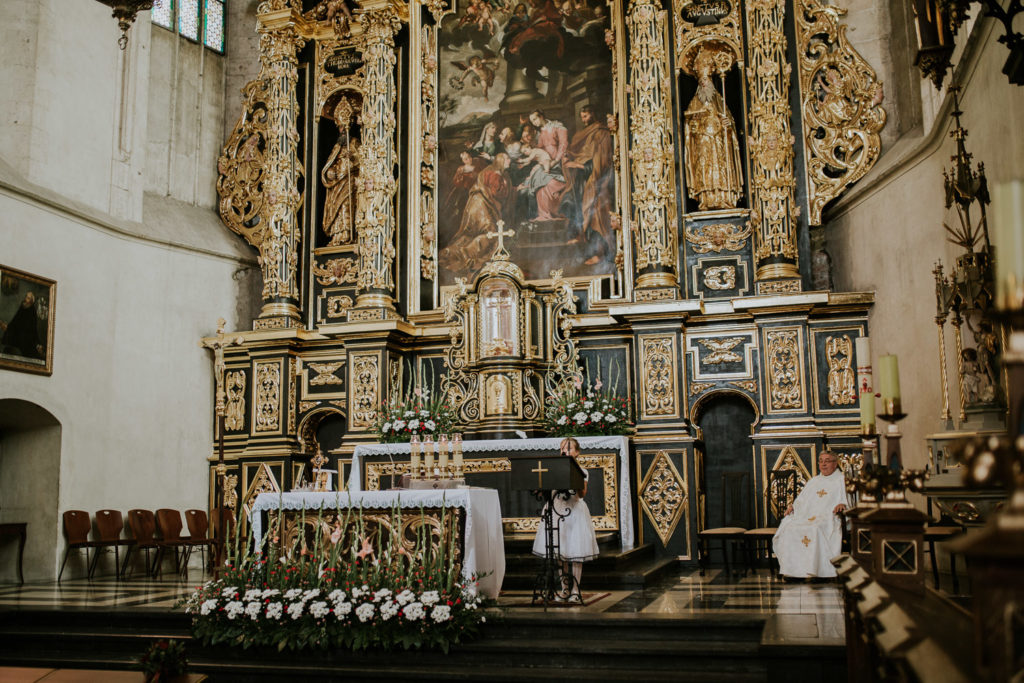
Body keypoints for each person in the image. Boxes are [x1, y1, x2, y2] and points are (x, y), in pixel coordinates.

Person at [532, 437, 599, 603]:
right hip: (556, 509)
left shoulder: (582, 471)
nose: (565, 451)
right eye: (562, 448)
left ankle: (575, 590)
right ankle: (564, 589)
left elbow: (581, 494)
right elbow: (544, 490)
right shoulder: (553, 469)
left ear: (577, 452)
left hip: (574, 511)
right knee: (559, 551)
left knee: (575, 551)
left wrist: (574, 476)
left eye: (569, 448)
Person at [772, 451, 850, 580]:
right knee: (790, 528)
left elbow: (848, 499)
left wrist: (842, 504)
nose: (823, 464)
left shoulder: (842, 479)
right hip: (807, 516)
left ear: (835, 464)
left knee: (815, 528)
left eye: (827, 461)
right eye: (821, 461)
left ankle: (816, 571)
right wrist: (793, 507)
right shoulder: (814, 481)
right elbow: (802, 500)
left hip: (828, 517)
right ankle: (792, 572)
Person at [0, 290, 44, 359]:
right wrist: (8, 326)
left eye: (28, 298)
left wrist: (37, 342)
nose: (26, 298)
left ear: (31, 301)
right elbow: (16, 319)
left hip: (27, 334)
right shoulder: (22, 306)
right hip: (18, 331)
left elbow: (32, 328)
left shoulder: (32, 311)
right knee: (10, 333)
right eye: (26, 296)